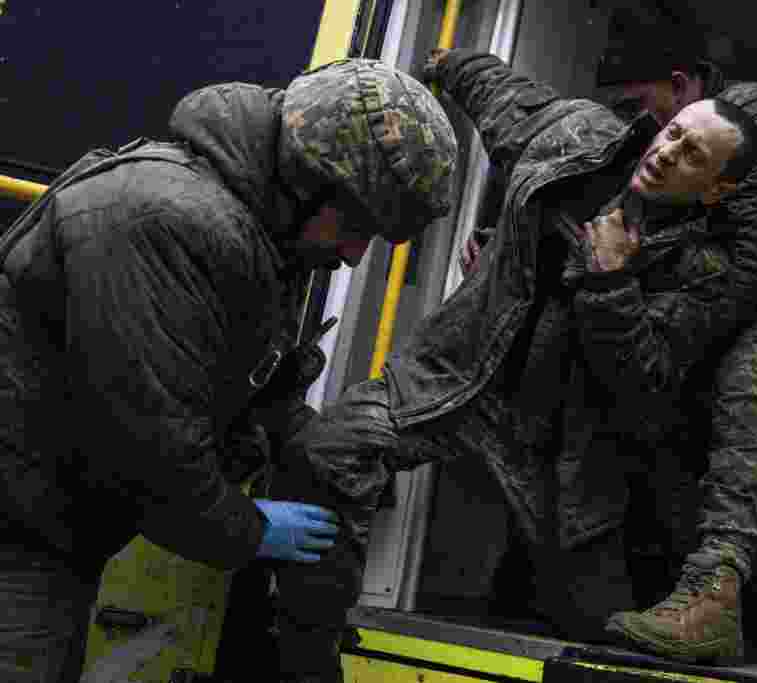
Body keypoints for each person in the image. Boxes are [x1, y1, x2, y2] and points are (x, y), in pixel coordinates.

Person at [281, 40, 757, 659]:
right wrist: (444, 62)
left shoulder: (701, 271)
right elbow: (501, 93)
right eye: (671, 134)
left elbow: (645, 382)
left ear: (716, 192)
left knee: (595, 630)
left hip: (561, 451)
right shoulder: (575, 139)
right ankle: (304, 648)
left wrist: (610, 282)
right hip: (462, 383)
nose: (667, 153)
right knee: (331, 447)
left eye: (692, 155)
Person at [0, 58, 457, 683]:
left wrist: (319, 447)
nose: (353, 254)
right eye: (355, 224)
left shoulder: (259, 235)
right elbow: (148, 447)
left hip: (45, 527)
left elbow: (248, 378)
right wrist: (249, 530)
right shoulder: (162, 220)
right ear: (306, 175)